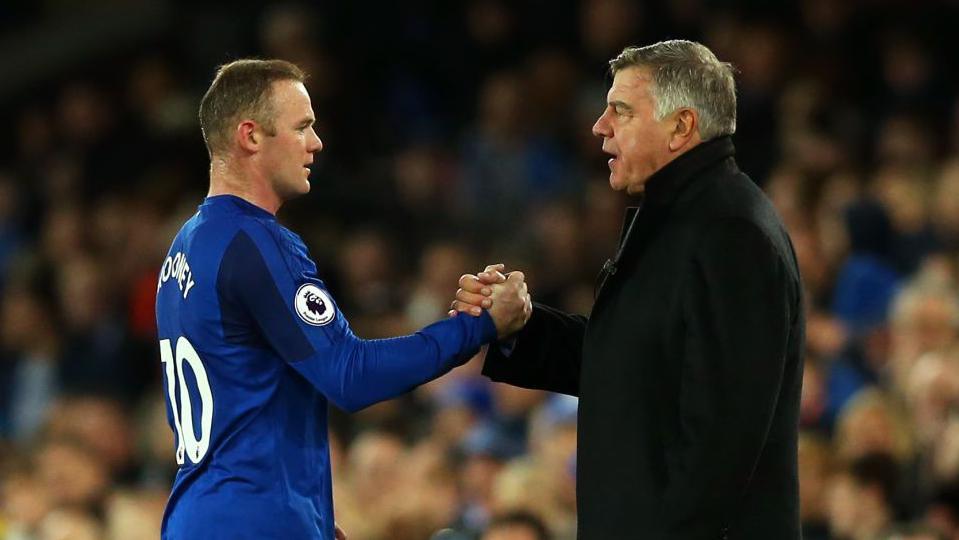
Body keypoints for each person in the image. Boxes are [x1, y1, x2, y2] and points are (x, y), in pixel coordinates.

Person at [453, 40, 805, 539]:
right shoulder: (678, 219)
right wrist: (518, 326)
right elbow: (629, 365)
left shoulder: (732, 233)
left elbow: (722, 440)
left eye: (620, 110)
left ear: (681, 126)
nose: (599, 125)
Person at [155, 59, 506, 540]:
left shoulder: (183, 248)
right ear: (251, 136)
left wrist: (312, 513)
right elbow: (349, 374)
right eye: (302, 127)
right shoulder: (255, 242)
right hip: (255, 520)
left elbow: (243, 392)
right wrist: (479, 325)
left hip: (197, 516)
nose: (316, 142)